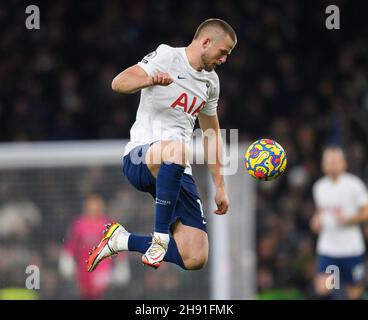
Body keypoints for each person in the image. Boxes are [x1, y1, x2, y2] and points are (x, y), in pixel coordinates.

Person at [86, 18, 236, 272]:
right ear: (206, 42)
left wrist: (220, 186)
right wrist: (150, 80)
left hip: (176, 167)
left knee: (195, 256)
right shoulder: (167, 56)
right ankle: (160, 239)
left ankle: (120, 240)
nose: (224, 60)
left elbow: (211, 133)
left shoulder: (211, 83)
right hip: (141, 158)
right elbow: (118, 83)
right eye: (223, 52)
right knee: (177, 149)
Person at [310, 146, 368, 299]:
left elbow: (366, 212)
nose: (331, 164)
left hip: (351, 249)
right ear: (323, 164)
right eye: (328, 161)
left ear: (343, 163)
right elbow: (321, 213)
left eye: (335, 161)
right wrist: (315, 221)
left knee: (353, 294)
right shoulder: (319, 187)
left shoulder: (354, 185)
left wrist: (349, 220)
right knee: (323, 288)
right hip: (328, 248)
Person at [60, 194, 129, 299]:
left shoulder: (108, 225)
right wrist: (67, 260)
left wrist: (121, 265)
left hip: (103, 273)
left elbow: (118, 247)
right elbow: (71, 245)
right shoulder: (79, 224)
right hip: (83, 273)